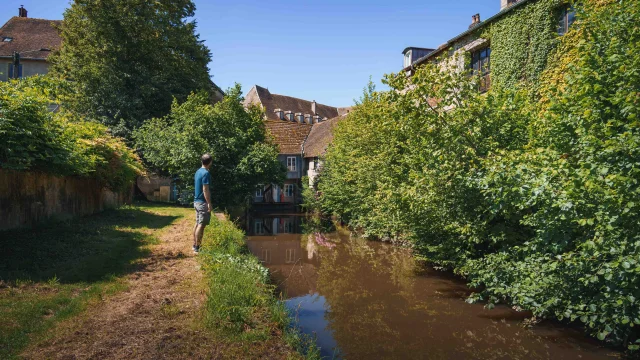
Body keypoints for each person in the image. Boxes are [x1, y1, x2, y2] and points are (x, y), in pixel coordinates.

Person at [193, 154, 213, 253]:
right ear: (210, 162)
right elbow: (205, 189)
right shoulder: (206, 173)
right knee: (201, 225)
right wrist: (209, 203)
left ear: (202, 161)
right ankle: (197, 247)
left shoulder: (198, 172)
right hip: (202, 202)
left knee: (197, 223)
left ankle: (194, 244)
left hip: (196, 201)